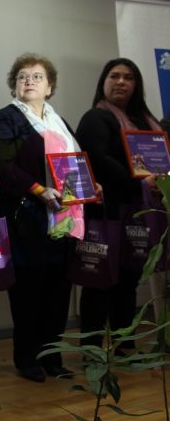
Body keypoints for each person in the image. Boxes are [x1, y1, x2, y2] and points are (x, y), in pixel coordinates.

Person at [0, 53, 82, 382]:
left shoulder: (59, 121)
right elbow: (3, 167)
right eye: (23, 77)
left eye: (37, 77)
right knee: (29, 291)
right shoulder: (4, 119)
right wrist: (39, 189)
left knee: (58, 289)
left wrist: (89, 184)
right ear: (14, 85)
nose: (29, 81)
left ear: (50, 86)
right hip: (27, 217)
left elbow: (74, 164)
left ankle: (53, 359)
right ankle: (27, 358)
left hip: (65, 218)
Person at [76, 58, 163, 347]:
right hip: (106, 214)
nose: (121, 82)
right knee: (99, 281)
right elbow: (98, 159)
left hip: (139, 212)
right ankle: (92, 349)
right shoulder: (96, 117)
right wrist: (138, 181)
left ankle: (125, 345)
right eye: (114, 76)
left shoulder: (145, 121)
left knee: (129, 281)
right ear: (104, 81)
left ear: (136, 85)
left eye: (128, 77)